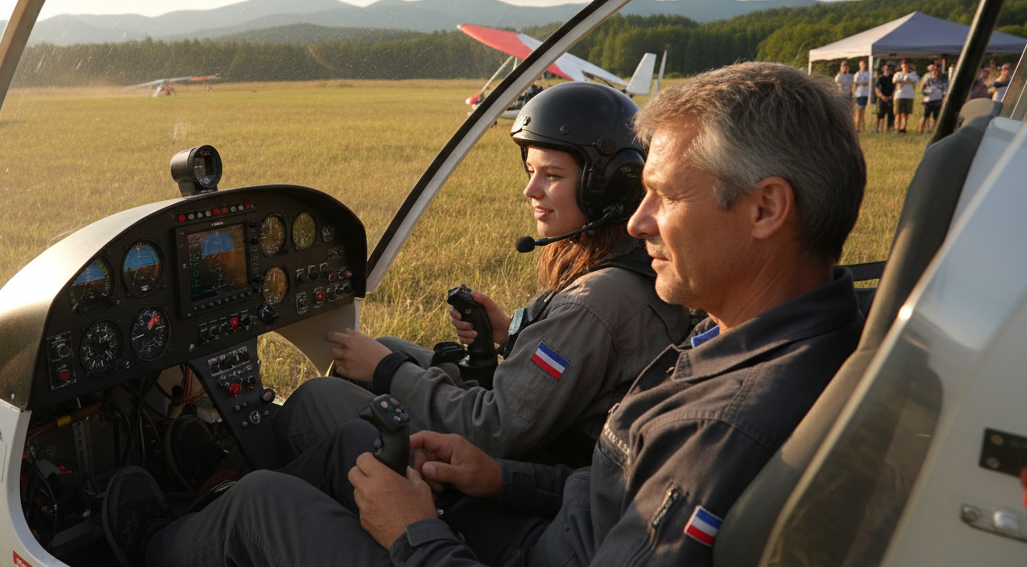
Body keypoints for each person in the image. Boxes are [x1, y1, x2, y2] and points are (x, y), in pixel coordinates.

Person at [104, 61, 867, 567]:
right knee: (351, 452)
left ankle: (153, 546)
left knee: (266, 505)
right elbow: (611, 488)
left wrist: (416, 534)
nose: (637, 224)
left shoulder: (730, 426)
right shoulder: (754, 339)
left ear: (767, 208)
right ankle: (206, 507)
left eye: (664, 196)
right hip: (538, 531)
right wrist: (497, 477)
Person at [275, 83, 689, 465]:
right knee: (385, 345)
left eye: (553, 175)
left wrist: (386, 370)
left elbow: (494, 428)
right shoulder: (635, 261)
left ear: (611, 187)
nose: (531, 191)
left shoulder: (597, 301)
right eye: (530, 172)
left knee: (319, 396)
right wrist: (510, 333)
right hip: (550, 442)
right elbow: (575, 367)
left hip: (517, 472)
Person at [918, 62, 947, 133]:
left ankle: (932, 129)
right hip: (929, 99)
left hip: (938, 99)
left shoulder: (943, 79)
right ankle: (920, 129)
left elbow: (945, 89)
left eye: (936, 70)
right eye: (933, 70)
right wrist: (925, 94)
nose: (935, 72)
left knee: (935, 116)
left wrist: (943, 97)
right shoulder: (928, 79)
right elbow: (922, 88)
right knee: (925, 115)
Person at [893, 59, 919, 133]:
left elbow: (915, 82)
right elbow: (894, 81)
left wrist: (907, 81)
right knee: (898, 113)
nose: (905, 68)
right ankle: (897, 127)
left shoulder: (913, 74)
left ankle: (903, 128)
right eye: (904, 66)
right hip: (899, 95)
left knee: (905, 113)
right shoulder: (898, 74)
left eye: (906, 66)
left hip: (909, 95)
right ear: (901, 66)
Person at [874, 62, 896, 133]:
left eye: (888, 69)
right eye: (885, 69)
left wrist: (891, 96)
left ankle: (890, 128)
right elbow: (877, 89)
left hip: (890, 97)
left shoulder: (892, 77)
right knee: (880, 114)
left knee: (891, 114)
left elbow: (895, 87)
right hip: (882, 98)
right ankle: (877, 128)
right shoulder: (881, 78)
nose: (887, 70)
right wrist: (882, 96)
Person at [852, 59, 871, 132]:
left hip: (866, 94)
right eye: (862, 65)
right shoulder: (858, 74)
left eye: (864, 64)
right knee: (859, 111)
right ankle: (857, 127)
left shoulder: (868, 73)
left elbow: (870, 82)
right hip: (859, 94)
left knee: (863, 111)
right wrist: (854, 93)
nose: (863, 66)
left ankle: (863, 127)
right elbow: (855, 84)